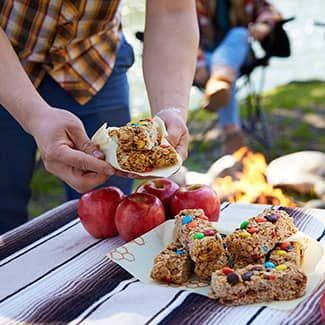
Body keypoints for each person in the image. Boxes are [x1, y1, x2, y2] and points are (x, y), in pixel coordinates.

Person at [0, 1, 199, 234]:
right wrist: (34, 114)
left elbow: (172, 10)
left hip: (93, 60)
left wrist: (172, 107)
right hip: (8, 53)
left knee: (111, 208)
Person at [194, 0, 282, 154]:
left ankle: (219, 83)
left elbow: (268, 11)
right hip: (206, 62)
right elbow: (182, 34)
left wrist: (264, 25)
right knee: (226, 79)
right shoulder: (195, 4)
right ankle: (231, 131)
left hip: (241, 57)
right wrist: (198, 64)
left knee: (239, 34)